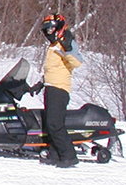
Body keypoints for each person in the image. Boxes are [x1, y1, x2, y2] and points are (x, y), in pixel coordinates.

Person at [39, 13, 84, 168]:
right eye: (47, 30)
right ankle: (55, 154)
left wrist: (68, 47)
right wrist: (41, 83)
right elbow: (53, 68)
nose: (49, 32)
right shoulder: (53, 46)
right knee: (49, 124)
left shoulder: (66, 42)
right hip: (51, 87)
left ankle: (69, 156)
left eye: (51, 28)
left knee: (55, 124)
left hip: (60, 88)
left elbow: (77, 62)